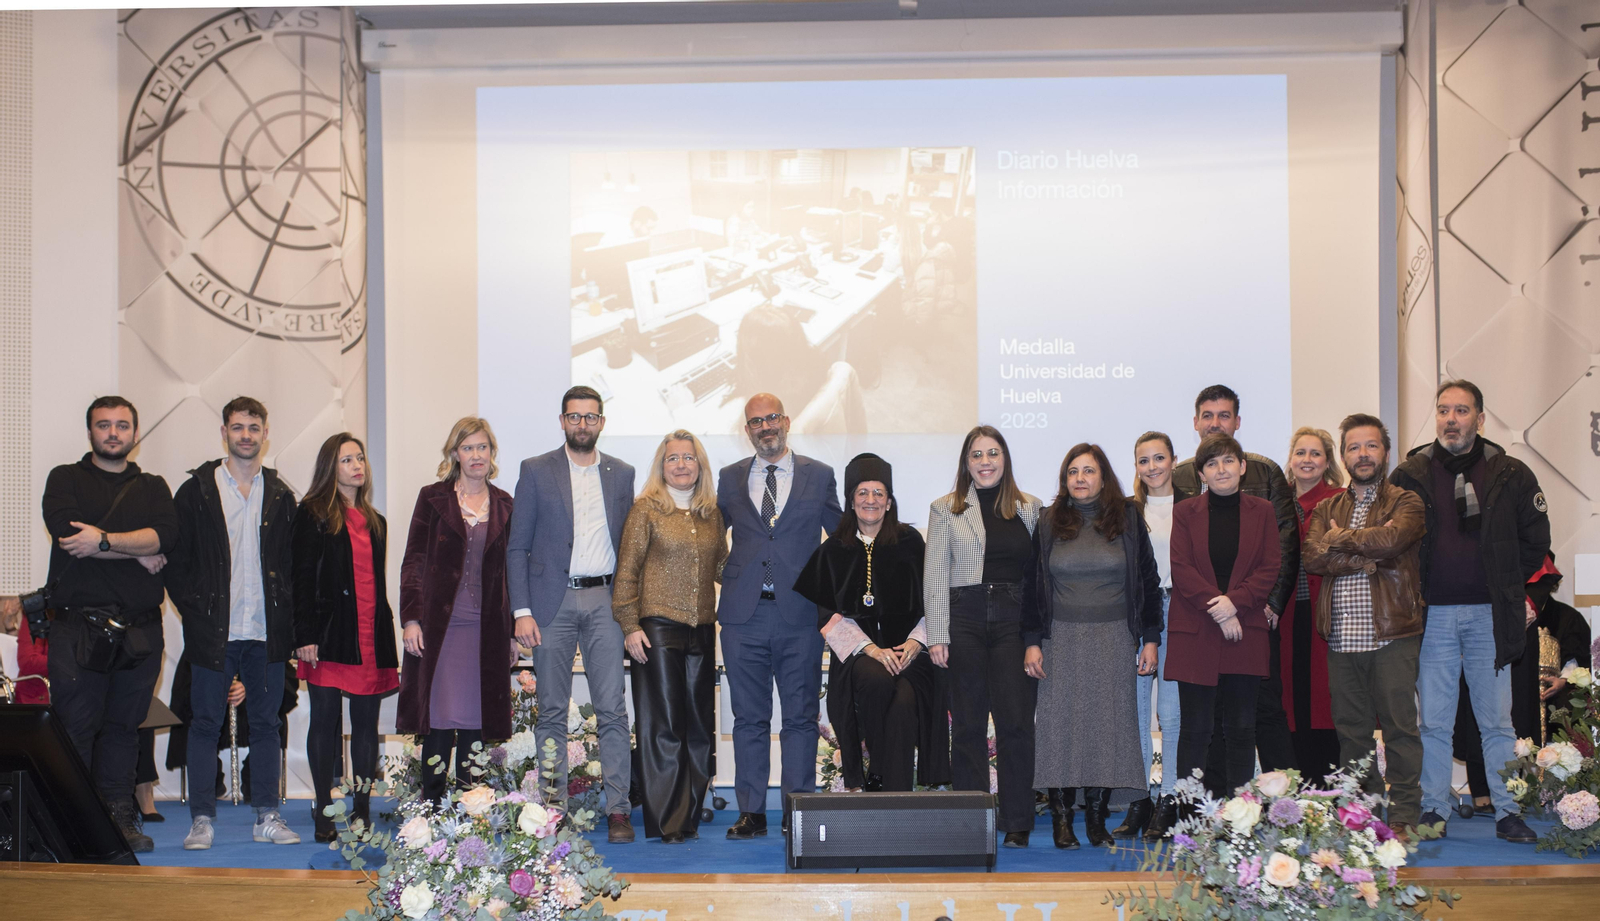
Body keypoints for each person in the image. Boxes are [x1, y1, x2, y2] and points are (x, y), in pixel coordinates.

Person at [1391, 380, 1547, 844]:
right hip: (1431, 616)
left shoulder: (1511, 473)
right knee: (1433, 722)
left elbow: (1536, 540)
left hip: (1488, 617)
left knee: (1497, 721)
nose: (1450, 419)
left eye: (1461, 410)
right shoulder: (1410, 474)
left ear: (1480, 418)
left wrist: (1506, 586)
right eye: (1443, 410)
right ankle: (1435, 809)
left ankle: (1507, 811)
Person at [41, 396, 178, 852]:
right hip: (76, 629)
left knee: (124, 729)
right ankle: (75, 822)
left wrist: (103, 541)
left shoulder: (154, 486)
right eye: (104, 425)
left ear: (135, 435)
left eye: (122, 425)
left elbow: (164, 537)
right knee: (75, 729)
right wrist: (133, 548)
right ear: (90, 433)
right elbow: (70, 537)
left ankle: (120, 819)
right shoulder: (65, 479)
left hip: (140, 631)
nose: (113, 432)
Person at [167, 396, 300, 848]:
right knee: (204, 723)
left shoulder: (281, 495)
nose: (246, 435)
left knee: (267, 725)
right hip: (214, 634)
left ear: (266, 433)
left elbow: (291, 567)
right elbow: (176, 563)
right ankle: (202, 819)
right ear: (224, 432)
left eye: (254, 427)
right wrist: (197, 614)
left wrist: (290, 624)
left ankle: (267, 815)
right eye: (237, 427)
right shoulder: (196, 491)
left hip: (266, 633)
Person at [507, 386, 636, 843]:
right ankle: (552, 810)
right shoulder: (536, 470)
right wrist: (521, 611)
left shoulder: (622, 474)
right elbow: (517, 546)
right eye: (575, 417)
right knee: (551, 712)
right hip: (550, 604)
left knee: (613, 711)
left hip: (605, 601)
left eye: (591, 417)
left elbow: (630, 548)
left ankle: (618, 810)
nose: (583, 425)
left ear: (602, 422)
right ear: (562, 421)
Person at [717, 393, 843, 839]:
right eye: (756, 421)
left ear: (786, 422)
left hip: (800, 615)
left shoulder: (820, 474)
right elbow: (712, 540)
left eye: (772, 418)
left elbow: (841, 537)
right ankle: (751, 811)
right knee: (748, 717)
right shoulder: (729, 478)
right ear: (747, 429)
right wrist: (729, 575)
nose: (765, 427)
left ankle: (798, 810)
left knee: (800, 717)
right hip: (742, 616)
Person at [1023, 444, 1162, 849]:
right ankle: (1062, 820)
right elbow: (1033, 587)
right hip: (1059, 638)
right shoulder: (1048, 521)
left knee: (1107, 728)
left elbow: (1148, 582)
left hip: (1115, 636)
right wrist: (1032, 643)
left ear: (1104, 477)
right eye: (1072, 472)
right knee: (1059, 729)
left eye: (1089, 471)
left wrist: (1150, 638)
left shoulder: (1128, 518)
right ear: (1064, 480)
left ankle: (1097, 820)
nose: (1080, 478)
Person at [795, 454, 949, 795]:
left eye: (879, 493)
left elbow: (932, 600)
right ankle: (886, 784)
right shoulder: (834, 549)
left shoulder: (910, 543)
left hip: (909, 652)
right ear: (851, 502)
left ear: (890, 501)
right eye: (863, 493)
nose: (871, 500)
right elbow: (829, 617)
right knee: (880, 683)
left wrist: (914, 644)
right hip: (860, 657)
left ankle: (886, 789)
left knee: (906, 701)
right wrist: (873, 650)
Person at [1302, 414, 1426, 836]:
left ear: (1385, 452)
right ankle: (1364, 813)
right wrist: (1364, 549)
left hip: (1392, 633)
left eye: (1371, 445)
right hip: (1341, 637)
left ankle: (1406, 814)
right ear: (1344, 454)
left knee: (1400, 730)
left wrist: (1342, 539)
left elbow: (1394, 541)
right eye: (1354, 447)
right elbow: (1313, 557)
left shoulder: (1405, 501)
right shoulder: (1325, 507)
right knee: (1352, 734)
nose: (1363, 454)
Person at [1171, 385, 1298, 789]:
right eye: (1212, 464)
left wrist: (1234, 604)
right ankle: (1188, 812)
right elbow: (1182, 568)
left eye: (1229, 461)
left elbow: (1269, 566)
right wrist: (1218, 607)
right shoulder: (1184, 511)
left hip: (1245, 629)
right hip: (1198, 630)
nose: (1221, 469)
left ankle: (1237, 813)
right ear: (1201, 473)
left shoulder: (1261, 510)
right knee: (1196, 731)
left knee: (1242, 729)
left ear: (1243, 467)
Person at [925, 425, 1042, 847]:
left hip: (1014, 619)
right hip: (965, 619)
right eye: (977, 454)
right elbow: (935, 574)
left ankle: (1017, 822)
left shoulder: (1031, 509)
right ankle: (971, 822)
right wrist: (938, 634)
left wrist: (1036, 636)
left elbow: (1038, 579)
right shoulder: (945, 508)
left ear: (1005, 459)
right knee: (969, 725)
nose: (986, 461)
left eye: (993, 453)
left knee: (1015, 723)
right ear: (966, 462)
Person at [612, 430, 727, 843]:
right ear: (661, 466)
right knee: (664, 728)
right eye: (672, 458)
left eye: (689, 458)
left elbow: (722, 569)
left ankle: (689, 815)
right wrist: (630, 626)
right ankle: (666, 821)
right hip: (657, 630)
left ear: (701, 466)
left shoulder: (711, 514)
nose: (681, 465)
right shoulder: (645, 510)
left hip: (701, 630)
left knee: (699, 727)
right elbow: (626, 572)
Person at [398, 417, 519, 805]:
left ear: (492, 453)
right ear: (455, 454)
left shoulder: (505, 504)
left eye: (482, 447)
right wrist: (411, 618)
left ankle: (471, 808)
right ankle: (431, 807)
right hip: (439, 627)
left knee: (474, 720)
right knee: (437, 719)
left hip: (487, 630)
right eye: (467, 448)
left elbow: (513, 573)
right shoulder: (432, 498)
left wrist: (514, 631)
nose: (476, 455)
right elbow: (413, 561)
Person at [292, 433, 398, 842]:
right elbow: (300, 579)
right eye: (346, 459)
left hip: (370, 634)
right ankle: (323, 808)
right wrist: (305, 634)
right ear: (330, 468)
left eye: (360, 457)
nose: (357, 465)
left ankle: (362, 810)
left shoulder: (376, 520)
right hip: (327, 636)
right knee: (325, 722)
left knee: (367, 727)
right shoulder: (313, 513)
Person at [1455, 555, 1592, 813]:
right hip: (1490, 666)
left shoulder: (1565, 617)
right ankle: (1482, 795)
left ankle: (1525, 793)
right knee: (1477, 719)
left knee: (1524, 725)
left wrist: (1564, 680)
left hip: (1534, 689)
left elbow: (1578, 658)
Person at [1126, 432, 1184, 840]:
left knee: (1171, 710)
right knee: (1136, 712)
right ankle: (1141, 798)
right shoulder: (1128, 513)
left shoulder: (1193, 507)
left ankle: (1170, 797)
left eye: (1159, 458)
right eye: (1143, 461)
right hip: (1139, 616)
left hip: (1180, 610)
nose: (1152, 468)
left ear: (1174, 461)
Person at [1284, 427, 1345, 783]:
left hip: (1328, 613)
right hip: (1288, 615)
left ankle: (1331, 784)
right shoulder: (1276, 503)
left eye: (1315, 454)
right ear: (1291, 459)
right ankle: (1299, 783)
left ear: (1327, 462)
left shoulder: (1340, 500)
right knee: (1293, 699)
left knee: (1327, 699)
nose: (1307, 460)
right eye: (1301, 453)